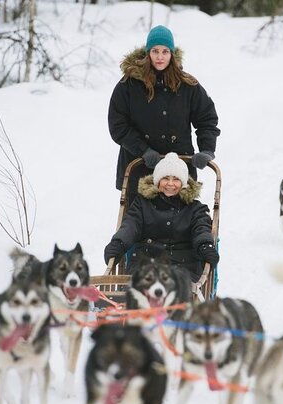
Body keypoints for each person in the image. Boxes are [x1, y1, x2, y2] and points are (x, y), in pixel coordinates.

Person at [108, 25, 220, 203]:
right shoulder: (129, 85)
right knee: (138, 222)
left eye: (165, 51)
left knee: (181, 223)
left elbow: (206, 119)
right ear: (147, 53)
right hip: (139, 167)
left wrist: (207, 149)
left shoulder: (188, 85)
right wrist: (143, 150)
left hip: (178, 170)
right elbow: (117, 124)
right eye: (155, 51)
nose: (160, 57)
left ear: (172, 54)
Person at [103, 152, 219, 281]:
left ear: (184, 183)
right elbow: (131, 225)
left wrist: (205, 245)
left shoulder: (195, 208)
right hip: (146, 261)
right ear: (157, 181)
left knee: (178, 288)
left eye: (176, 179)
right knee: (139, 284)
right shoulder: (142, 204)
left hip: (183, 265)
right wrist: (119, 242)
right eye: (165, 178)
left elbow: (201, 229)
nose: (170, 184)